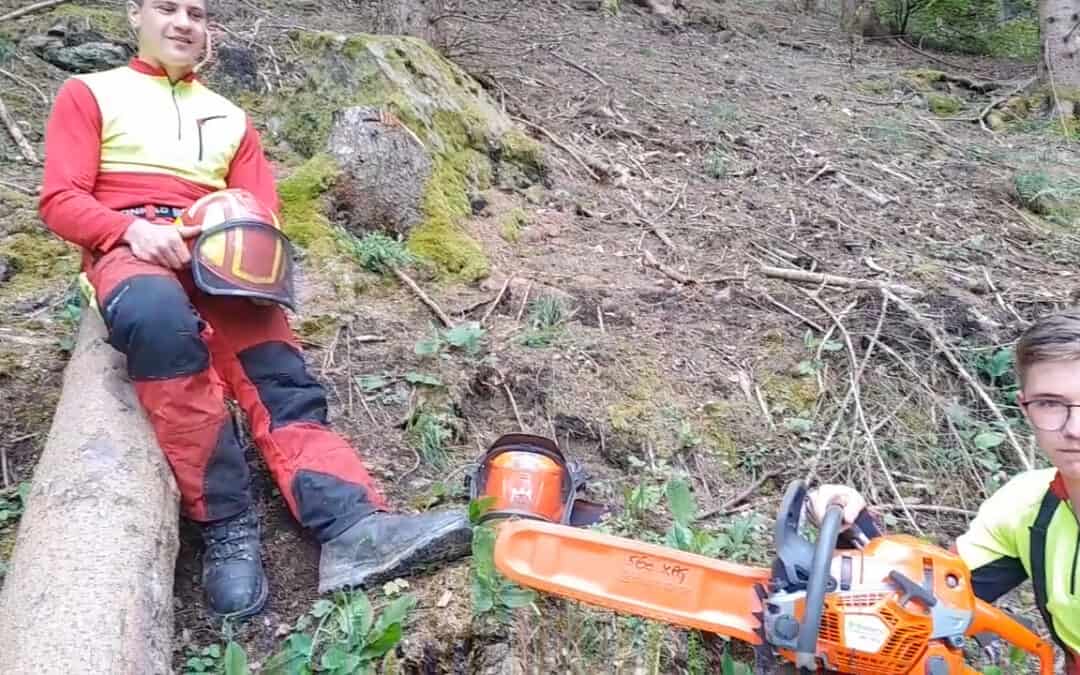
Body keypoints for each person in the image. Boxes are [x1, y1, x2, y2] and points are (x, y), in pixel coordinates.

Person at [38, 0, 471, 620]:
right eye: (168, 7)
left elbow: (265, 211)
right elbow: (59, 199)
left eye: (199, 13)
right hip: (130, 246)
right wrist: (129, 232)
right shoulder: (89, 93)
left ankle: (351, 526)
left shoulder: (230, 118)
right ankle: (227, 523)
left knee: (279, 375)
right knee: (160, 325)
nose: (185, 22)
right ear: (136, 14)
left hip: (220, 251)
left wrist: (235, 226)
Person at [806, 309, 1080, 673]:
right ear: (1025, 408)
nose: (1074, 428)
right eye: (1050, 403)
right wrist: (851, 528)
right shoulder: (1026, 506)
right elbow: (926, 601)